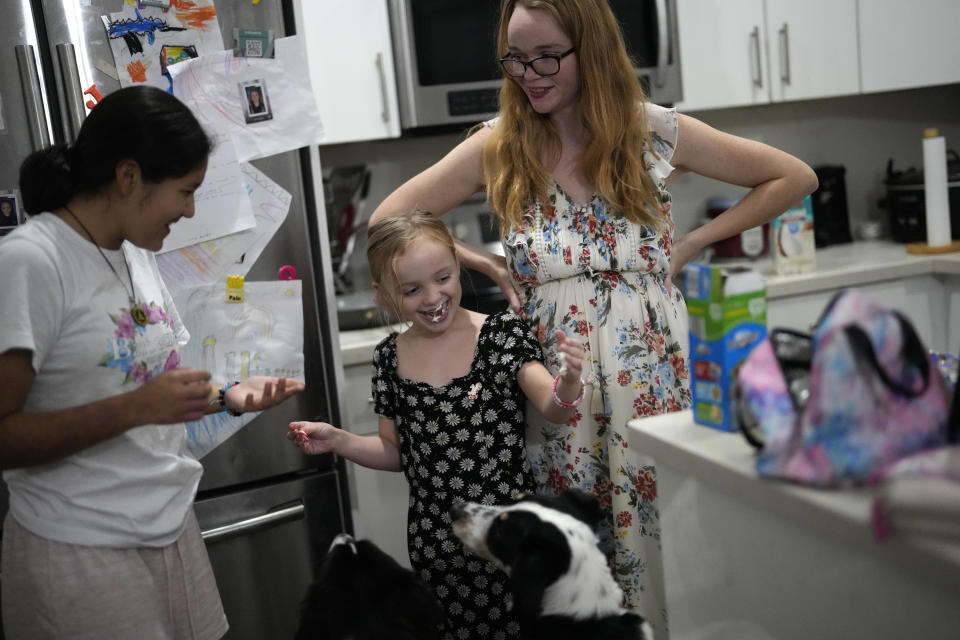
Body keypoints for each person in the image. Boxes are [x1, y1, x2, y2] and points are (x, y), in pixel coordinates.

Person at [367, 0, 819, 632]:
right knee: (577, 554)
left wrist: (688, 244)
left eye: (547, 55)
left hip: (656, 377)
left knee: (674, 539)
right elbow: (389, 219)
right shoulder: (501, 145)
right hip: (560, 391)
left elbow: (792, 176)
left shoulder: (650, 130)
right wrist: (486, 265)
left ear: (592, 49)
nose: (530, 72)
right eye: (516, 58)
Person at [0, 85, 305, 639]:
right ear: (129, 177)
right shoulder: (31, 261)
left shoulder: (134, 251)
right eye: (185, 192)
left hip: (170, 523)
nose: (190, 210)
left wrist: (226, 396)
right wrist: (137, 408)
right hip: (81, 546)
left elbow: (146, 389)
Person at [288, 209, 586, 639]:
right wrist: (338, 440)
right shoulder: (389, 358)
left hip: (512, 550)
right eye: (411, 290)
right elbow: (395, 453)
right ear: (383, 294)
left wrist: (570, 381)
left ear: (457, 265)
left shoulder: (500, 335)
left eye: (443, 278)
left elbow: (554, 406)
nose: (432, 297)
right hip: (437, 554)